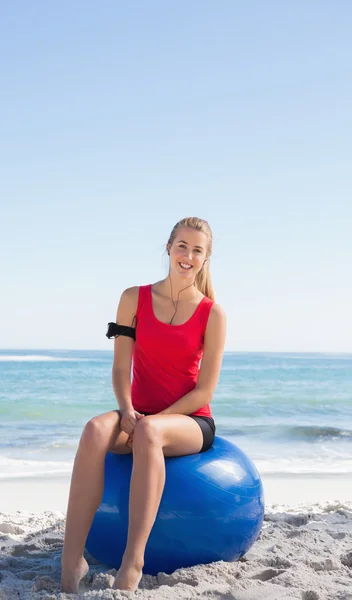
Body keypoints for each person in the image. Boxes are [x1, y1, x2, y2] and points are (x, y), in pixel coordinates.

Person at [60, 216, 226, 593]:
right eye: (181, 245)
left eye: (197, 250)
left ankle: (133, 563)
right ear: (168, 247)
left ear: (205, 259)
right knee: (94, 429)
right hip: (139, 413)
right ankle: (71, 562)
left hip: (190, 422)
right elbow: (121, 367)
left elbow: (204, 392)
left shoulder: (212, 314)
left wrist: (151, 422)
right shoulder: (133, 298)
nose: (187, 255)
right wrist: (128, 410)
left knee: (151, 430)